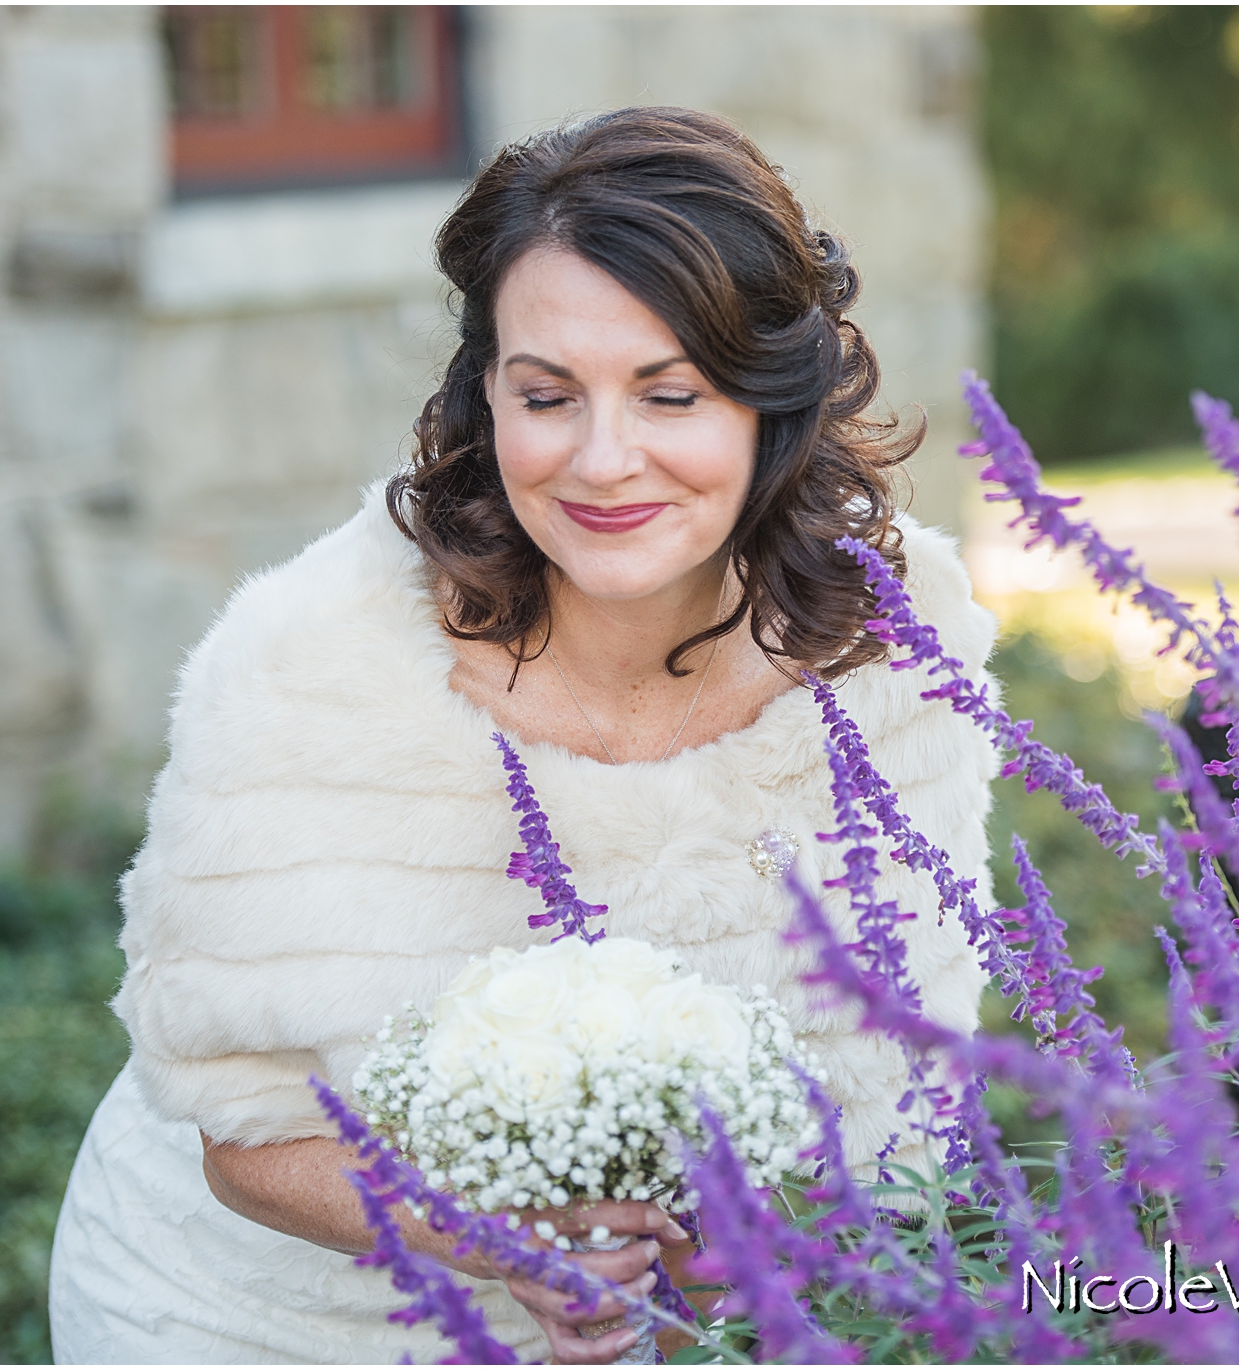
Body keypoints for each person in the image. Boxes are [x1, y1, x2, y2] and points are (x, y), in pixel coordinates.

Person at [49, 107, 997, 1365]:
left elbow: (903, 1074)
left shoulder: (898, 637)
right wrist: (500, 1243)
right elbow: (245, 1134)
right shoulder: (305, 666)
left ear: (773, 398)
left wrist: (772, 1235)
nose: (605, 461)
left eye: (671, 393)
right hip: (268, 1322)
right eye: (546, 395)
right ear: (484, 392)